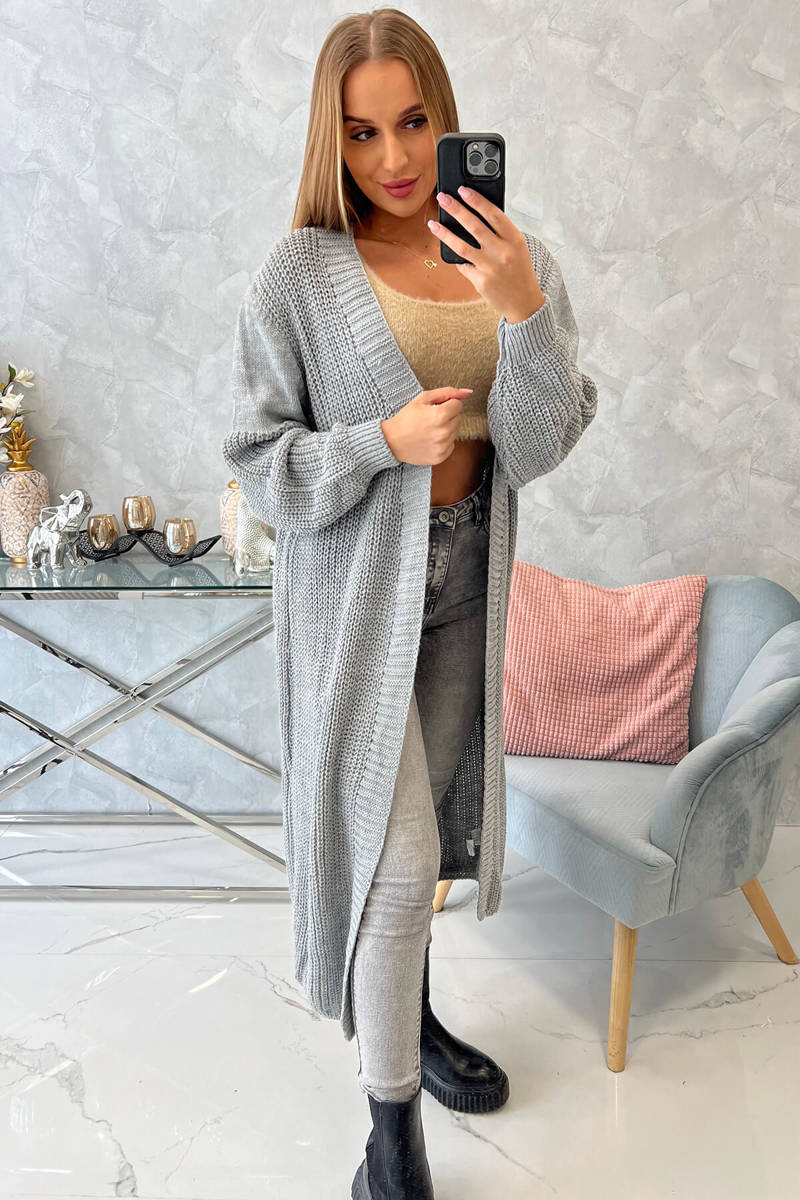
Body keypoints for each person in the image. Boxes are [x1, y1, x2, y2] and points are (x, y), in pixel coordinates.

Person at [221, 9, 598, 1197]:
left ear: (446, 118)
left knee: (421, 848)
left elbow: (536, 444)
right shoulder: (300, 273)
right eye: (360, 132)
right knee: (392, 867)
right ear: (328, 141)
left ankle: (414, 1021)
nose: (391, 157)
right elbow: (257, 462)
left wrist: (522, 309)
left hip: (465, 586)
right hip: (352, 606)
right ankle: (391, 1143)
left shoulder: (508, 256)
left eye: (413, 122)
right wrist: (377, 443)